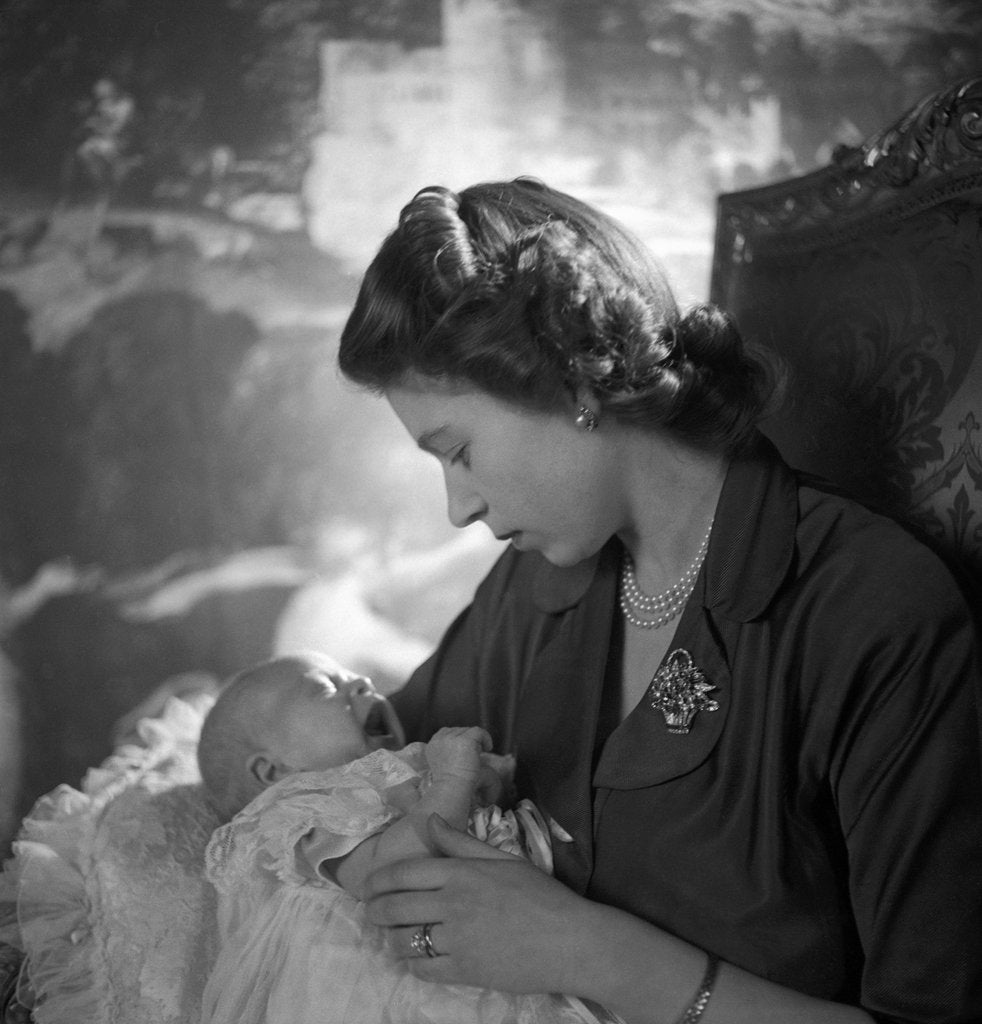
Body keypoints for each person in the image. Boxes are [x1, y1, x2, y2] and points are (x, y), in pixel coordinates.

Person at [337, 178, 982, 1024]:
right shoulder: (538, 582)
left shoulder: (871, 613)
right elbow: (377, 760)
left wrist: (588, 949)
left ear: (571, 380)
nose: (459, 507)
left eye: (458, 452)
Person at [197, 652, 621, 1024]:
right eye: (327, 687)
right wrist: (454, 780)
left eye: (354, 677)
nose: (362, 683)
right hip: (380, 981)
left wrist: (482, 788)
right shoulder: (304, 807)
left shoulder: (407, 768)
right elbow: (388, 871)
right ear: (273, 771)